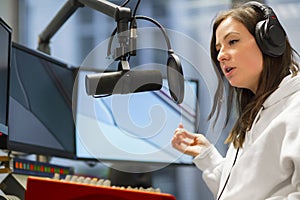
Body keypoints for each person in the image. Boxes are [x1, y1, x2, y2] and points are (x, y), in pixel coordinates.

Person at [171, 1, 300, 200]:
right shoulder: (257, 113)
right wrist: (208, 157)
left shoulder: (295, 109)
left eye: (232, 42)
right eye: (218, 48)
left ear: (270, 42)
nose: (221, 55)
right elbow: (241, 191)